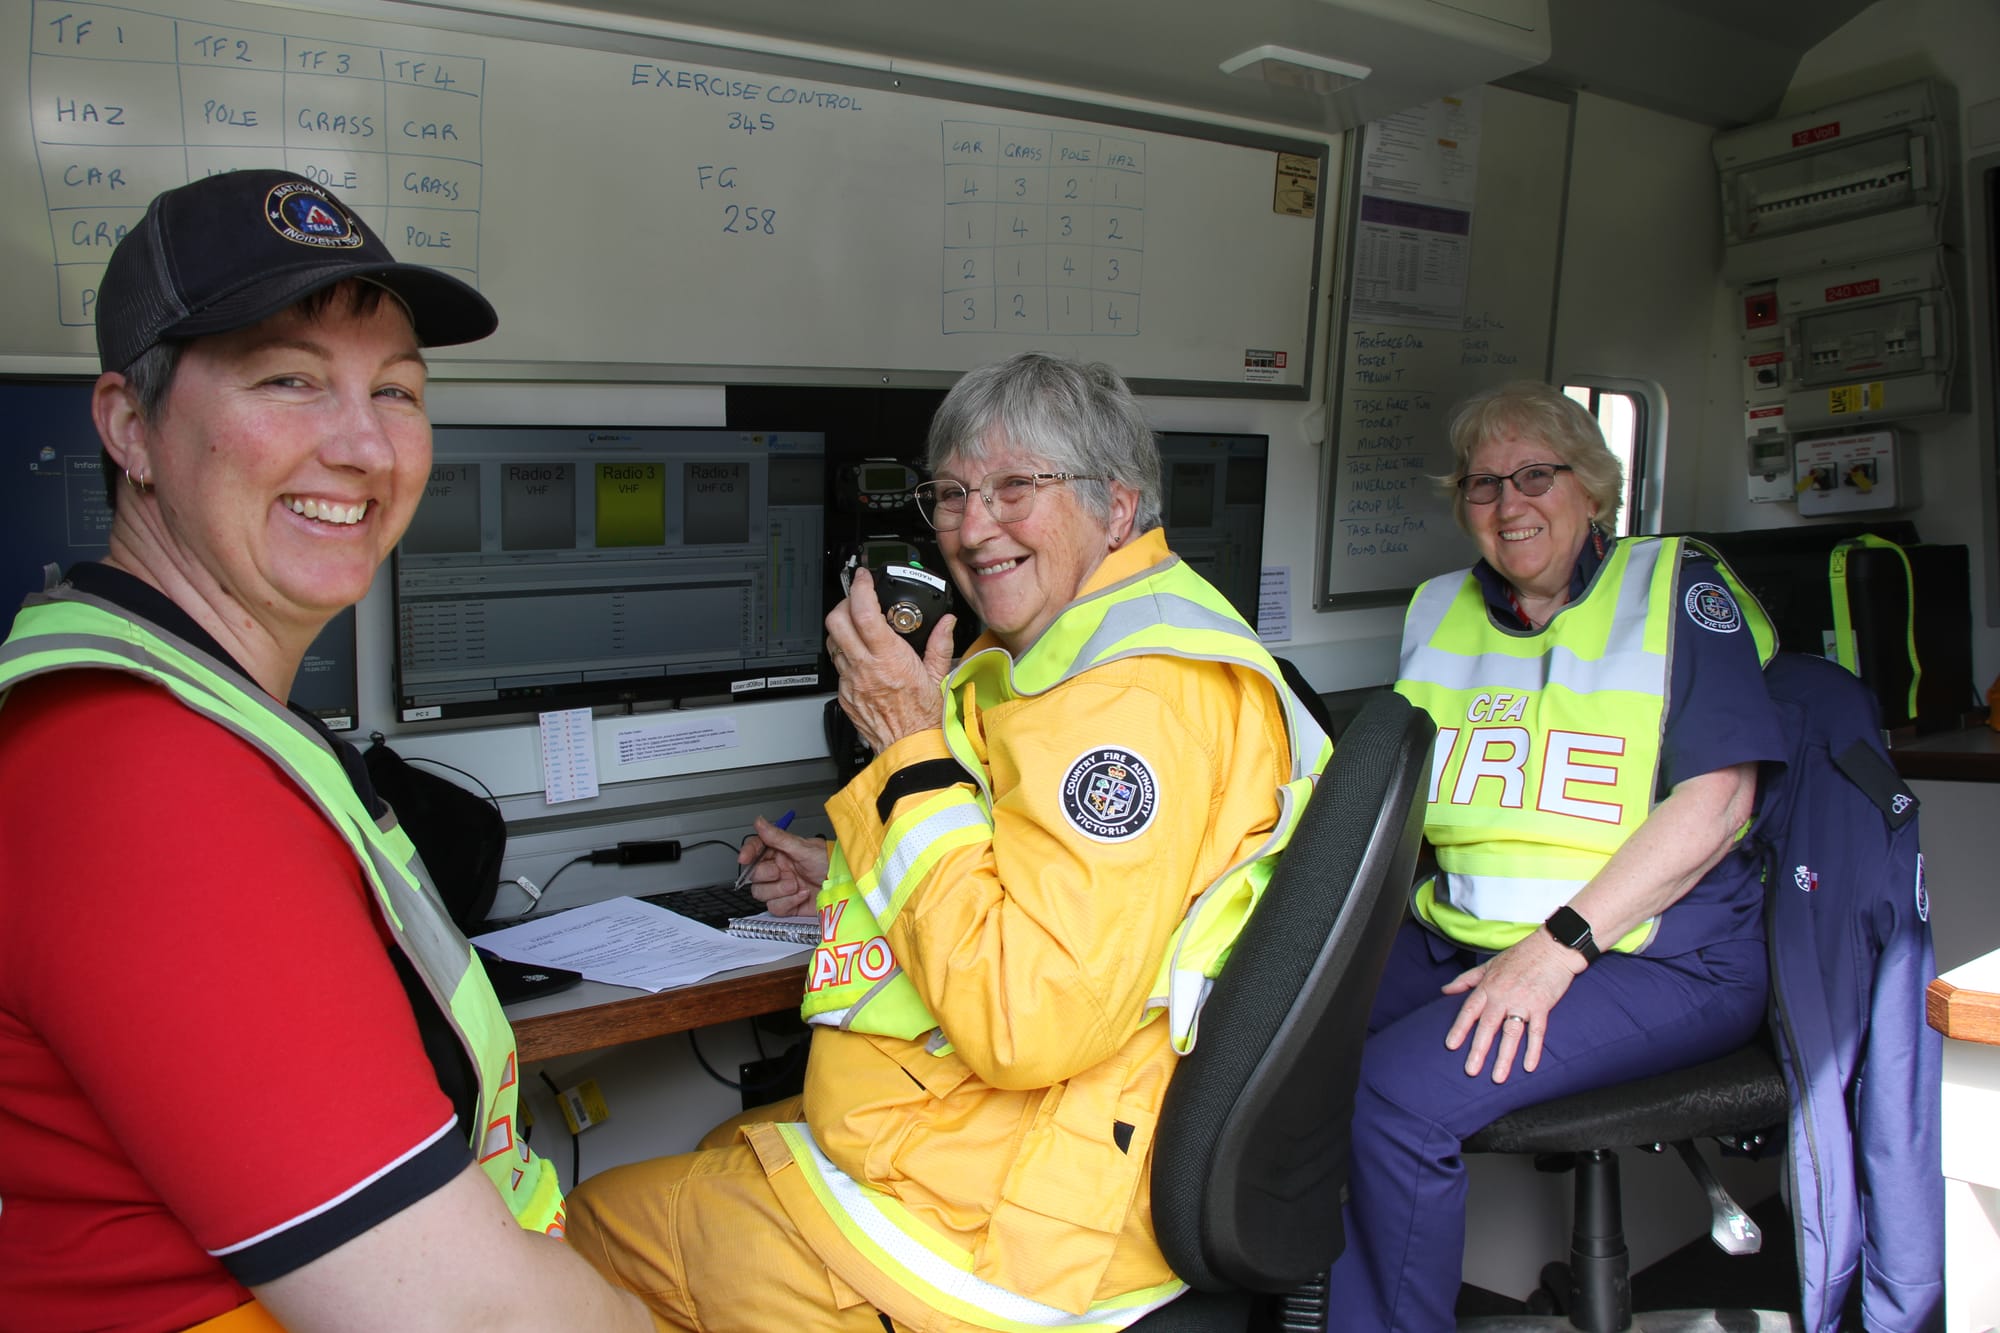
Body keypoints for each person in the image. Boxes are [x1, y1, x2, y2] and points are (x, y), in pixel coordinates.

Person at [0, 170, 650, 1333]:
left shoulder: (193, 715)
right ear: (127, 426)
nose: (362, 445)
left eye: (396, 390)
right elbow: (466, 1318)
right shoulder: (142, 775)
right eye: (288, 379)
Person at [564, 351, 1332, 1332]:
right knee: (722, 1142)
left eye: (1016, 488)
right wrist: (859, 870)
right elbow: (1024, 865)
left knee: (582, 1232)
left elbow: (1028, 1017)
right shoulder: (1074, 648)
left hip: (1013, 1212)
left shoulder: (1127, 703)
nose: (973, 529)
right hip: (991, 1137)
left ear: (1116, 504)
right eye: (953, 494)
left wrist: (903, 744)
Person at [1323, 381, 1786, 1331]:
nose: (1508, 503)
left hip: (1654, 951)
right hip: (1462, 933)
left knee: (1394, 1100)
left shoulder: (1675, 587)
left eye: (1536, 475)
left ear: (1596, 488)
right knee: (1274, 1044)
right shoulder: (1437, 610)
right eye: (1482, 484)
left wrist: (1554, 947)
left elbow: (1721, 800)